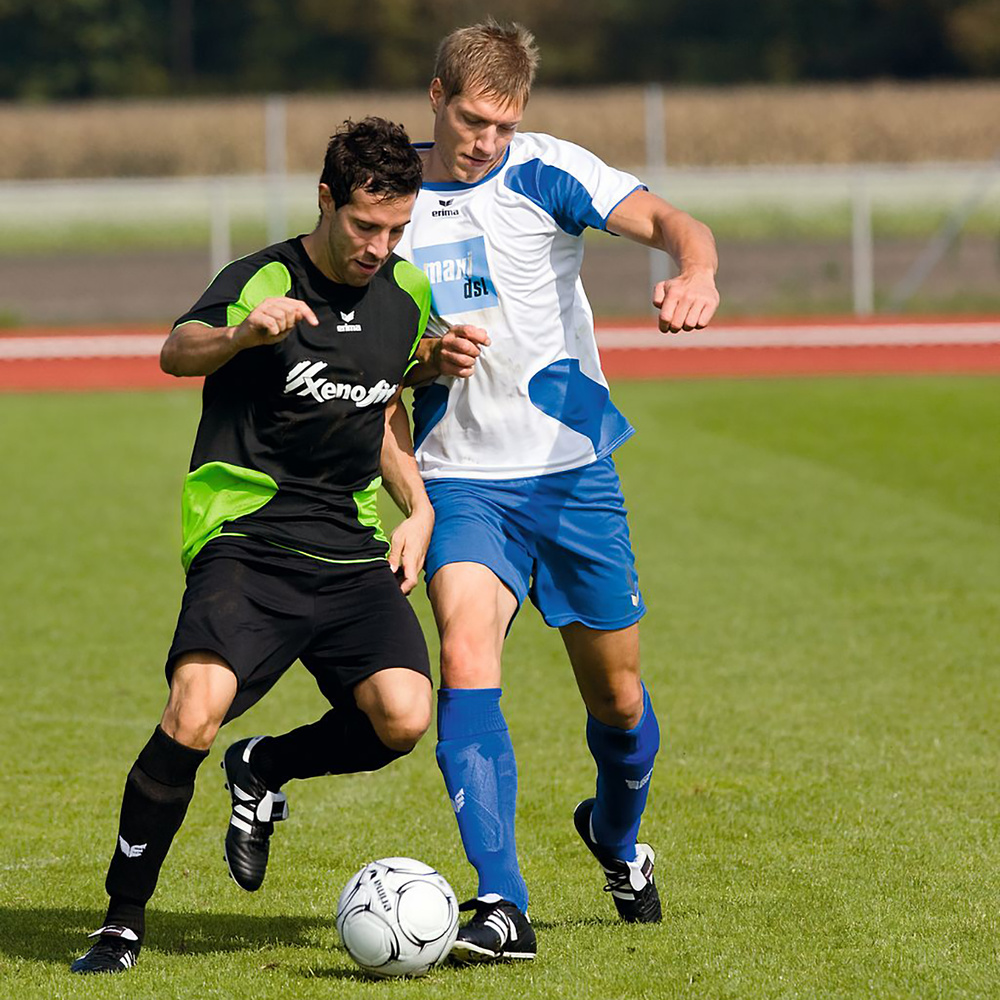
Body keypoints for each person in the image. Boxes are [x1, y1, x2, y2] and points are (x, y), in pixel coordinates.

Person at [71, 117, 435, 974]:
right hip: (249, 538)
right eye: (364, 227)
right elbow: (175, 351)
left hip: (348, 544)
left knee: (403, 717)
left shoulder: (408, 293)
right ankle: (122, 922)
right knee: (192, 710)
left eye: (395, 230)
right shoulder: (264, 277)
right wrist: (241, 334)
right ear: (325, 201)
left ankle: (263, 766)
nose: (379, 247)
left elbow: (381, 403)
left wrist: (417, 508)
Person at [394, 20, 720, 962]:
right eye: (469, 118)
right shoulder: (394, 194)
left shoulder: (547, 169)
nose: (484, 140)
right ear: (435, 96)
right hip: (459, 482)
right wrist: (422, 359)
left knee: (618, 703)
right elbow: (369, 343)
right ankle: (501, 903)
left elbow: (671, 223)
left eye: (503, 123)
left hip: (572, 474)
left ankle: (615, 838)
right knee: (463, 650)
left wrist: (694, 271)